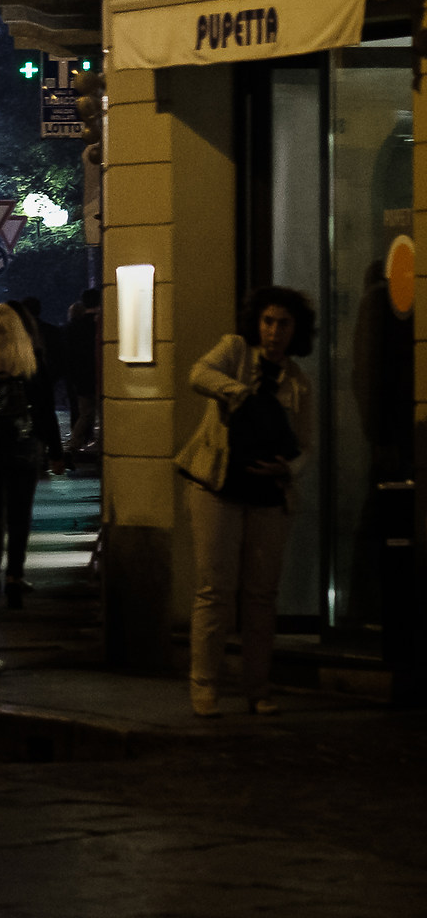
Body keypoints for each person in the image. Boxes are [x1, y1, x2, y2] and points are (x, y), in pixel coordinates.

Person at [180, 286, 315, 717]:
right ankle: (205, 685)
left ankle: (258, 687)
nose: (274, 332)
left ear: (297, 330)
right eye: (268, 321)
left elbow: (307, 446)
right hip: (217, 487)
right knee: (215, 590)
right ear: (257, 322)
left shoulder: (298, 381)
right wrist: (240, 394)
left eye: (284, 324)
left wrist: (287, 469)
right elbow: (198, 374)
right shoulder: (235, 351)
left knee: (261, 595)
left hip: (268, 495)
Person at [0, 305, 62, 611]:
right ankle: (15, 578)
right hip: (24, 448)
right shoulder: (31, 362)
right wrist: (56, 452)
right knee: (20, 516)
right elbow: (46, 413)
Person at [61, 287, 101, 471]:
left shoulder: (72, 327)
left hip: (81, 378)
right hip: (101, 376)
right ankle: (94, 446)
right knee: (99, 413)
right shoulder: (101, 324)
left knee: (85, 413)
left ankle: (74, 446)